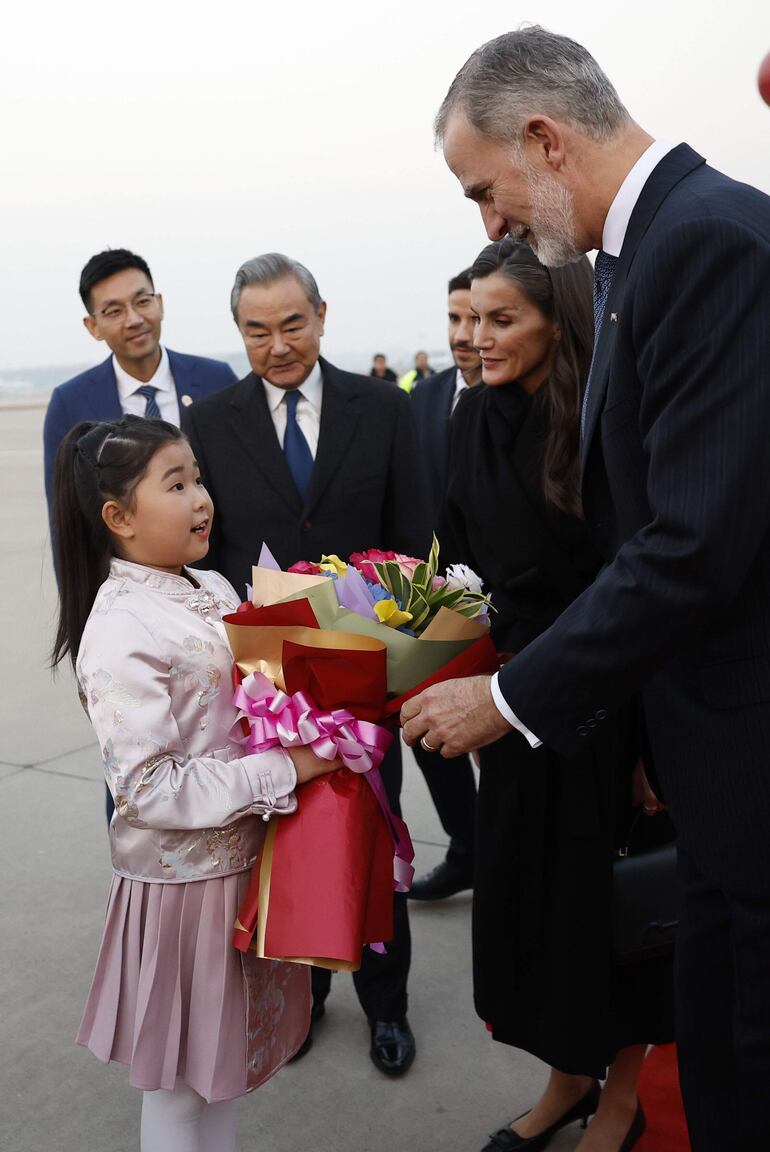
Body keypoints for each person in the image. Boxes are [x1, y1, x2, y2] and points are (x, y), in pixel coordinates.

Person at [400, 26, 770, 1152]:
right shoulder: (625, 261)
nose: (490, 227)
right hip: (700, 756)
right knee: (710, 1049)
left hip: (753, 757)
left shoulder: (706, 241)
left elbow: (690, 541)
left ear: (544, 140)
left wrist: (506, 700)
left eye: (484, 189)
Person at [51, 415, 341, 1152]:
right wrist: (288, 766)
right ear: (118, 517)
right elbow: (147, 787)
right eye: (175, 484)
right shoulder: (118, 628)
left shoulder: (206, 584)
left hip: (244, 863)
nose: (200, 498)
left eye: (198, 478)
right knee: (180, 1089)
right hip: (183, 891)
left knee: (221, 1072)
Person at [183, 252, 431, 1076]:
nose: (278, 345)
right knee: (283, 847)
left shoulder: (381, 409)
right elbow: (207, 553)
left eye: (292, 324)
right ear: (239, 335)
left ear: (322, 316)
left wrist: (402, 662)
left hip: (364, 683)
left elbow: (414, 541)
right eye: (257, 331)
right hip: (265, 693)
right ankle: (305, 997)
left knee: (374, 842)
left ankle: (386, 1005)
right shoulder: (213, 422)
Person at [452, 237, 674, 1152]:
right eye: (468, 318)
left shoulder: (599, 415)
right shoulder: (469, 417)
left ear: (558, 320)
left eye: (503, 320)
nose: (478, 338)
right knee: (534, 921)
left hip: (605, 709)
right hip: (510, 709)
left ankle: (618, 1104)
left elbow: (647, 589)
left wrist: (654, 748)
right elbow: (459, 562)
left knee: (610, 925)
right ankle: (566, 1081)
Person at [43, 249, 236, 533]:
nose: (134, 319)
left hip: (217, 571)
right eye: (114, 311)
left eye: (142, 301)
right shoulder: (70, 403)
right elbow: (66, 521)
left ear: (159, 303)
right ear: (93, 326)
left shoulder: (217, 379)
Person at [407, 267, 483, 900]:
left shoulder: (526, 393)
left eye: (475, 319)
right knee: (431, 735)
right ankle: (468, 845)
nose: (463, 334)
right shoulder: (423, 397)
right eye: (453, 319)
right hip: (429, 609)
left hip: (506, 607)